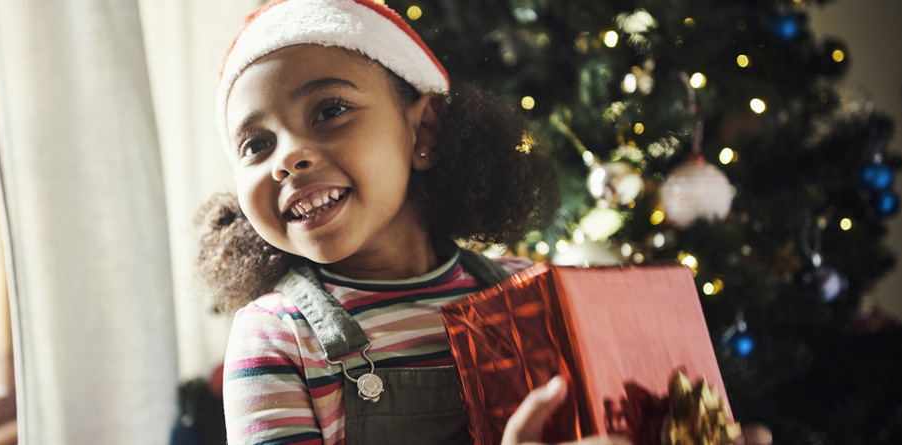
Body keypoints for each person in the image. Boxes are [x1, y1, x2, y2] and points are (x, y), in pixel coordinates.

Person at [197, 1, 761, 444]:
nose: (288, 157)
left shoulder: (532, 289)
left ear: (425, 131)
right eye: (255, 144)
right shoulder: (275, 338)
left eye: (329, 111)